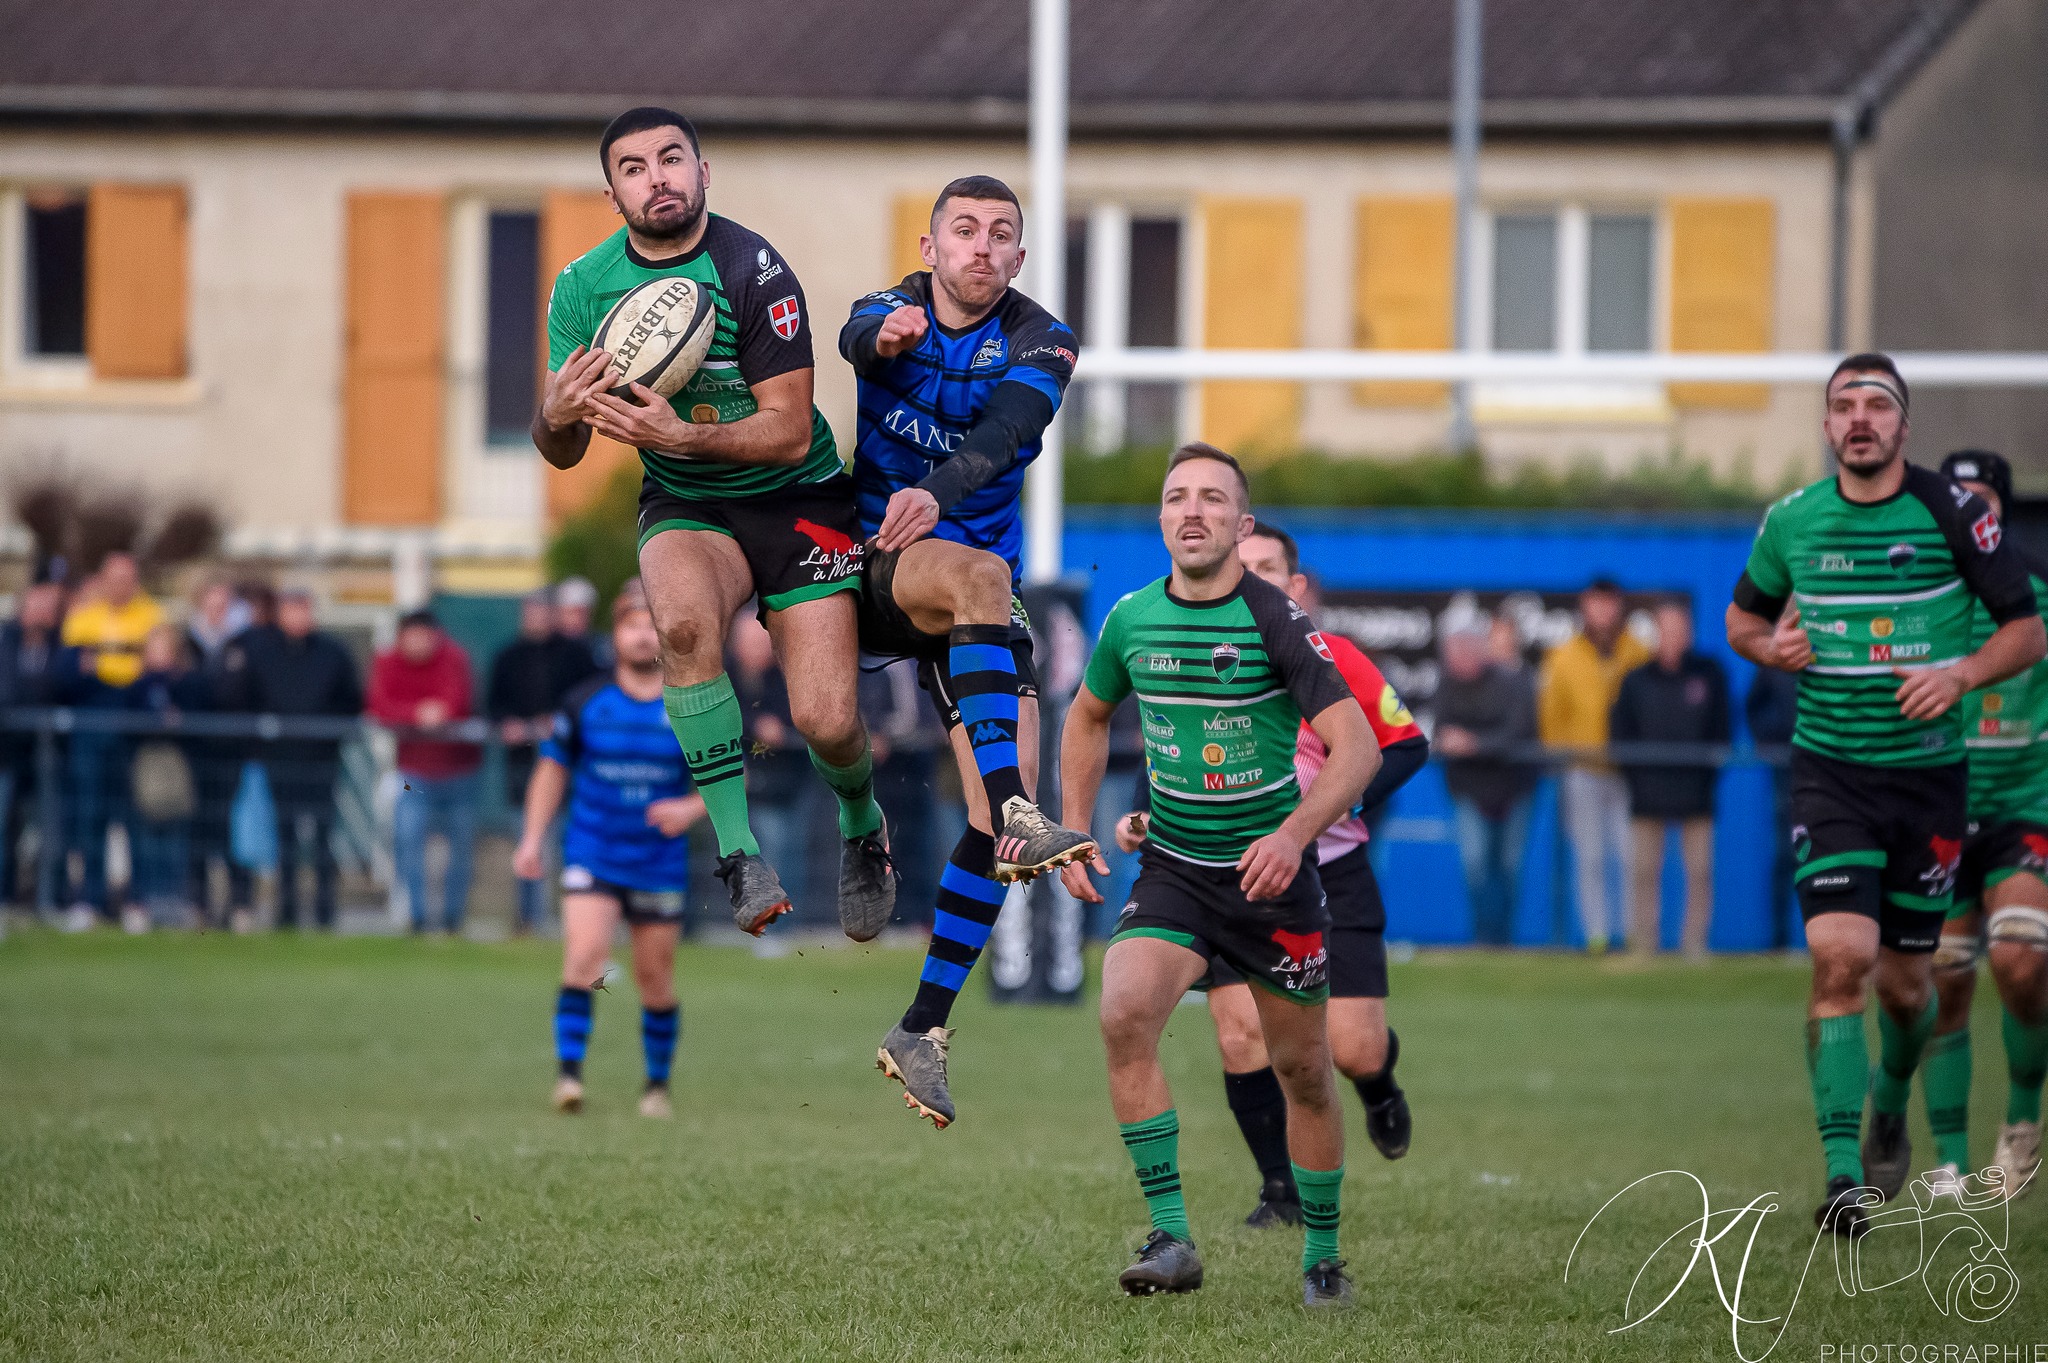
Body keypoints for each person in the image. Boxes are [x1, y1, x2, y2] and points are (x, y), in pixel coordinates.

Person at [533, 105, 890, 938]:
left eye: (671, 159)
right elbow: (561, 449)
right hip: (687, 499)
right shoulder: (584, 290)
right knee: (685, 626)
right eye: (634, 167)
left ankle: (862, 825)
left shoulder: (753, 269)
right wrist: (554, 414)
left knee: (827, 721)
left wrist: (683, 431)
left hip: (797, 495)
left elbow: (792, 429)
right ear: (613, 190)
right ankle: (737, 850)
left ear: (703, 172)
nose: (656, 177)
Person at [1725, 353, 2044, 1236]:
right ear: (1827, 426)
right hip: (1831, 774)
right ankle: (1840, 1177)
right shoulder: (1791, 521)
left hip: (1930, 784)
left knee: (1912, 992)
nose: (1859, 418)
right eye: (1843, 405)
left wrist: (1962, 673)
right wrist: (1767, 650)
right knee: (1840, 962)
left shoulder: (1951, 514)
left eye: (1877, 404)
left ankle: (1891, 1103)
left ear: (1904, 425)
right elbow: (1742, 619)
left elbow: (2026, 629)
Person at [1058, 444, 1378, 1307]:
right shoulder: (1130, 618)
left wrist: (1293, 834)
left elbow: (1359, 749)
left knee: (1304, 1069)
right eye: (1175, 497)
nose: (1190, 510)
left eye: (1211, 498)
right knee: (1124, 1010)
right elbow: (1087, 715)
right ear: (1161, 518)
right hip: (1174, 871)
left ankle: (1322, 1256)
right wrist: (1076, 826)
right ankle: (1171, 1237)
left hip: (1272, 882)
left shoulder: (1276, 619)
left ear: (1241, 523)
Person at [840, 174, 1098, 1125]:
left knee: (996, 821)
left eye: (1000, 235)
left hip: (968, 589)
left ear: (1019, 258)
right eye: (964, 231)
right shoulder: (889, 303)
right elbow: (852, 337)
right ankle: (992, 814)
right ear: (931, 245)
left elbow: (1010, 429)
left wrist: (939, 491)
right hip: (878, 568)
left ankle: (922, 1027)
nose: (981, 247)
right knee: (986, 579)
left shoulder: (1045, 336)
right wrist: (882, 340)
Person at [1115, 520, 1429, 1229]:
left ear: (1296, 587)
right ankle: (1279, 1189)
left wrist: (1335, 802)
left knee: (1350, 1047)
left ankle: (1378, 1084)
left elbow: (1407, 745)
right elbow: (1169, 744)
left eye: (1263, 568)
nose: (1244, 578)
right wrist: (1140, 814)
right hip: (1224, 871)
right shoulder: (1197, 649)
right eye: (1240, 564)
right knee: (1236, 1034)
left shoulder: (1335, 656)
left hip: (1331, 872)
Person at [514, 581, 704, 1118]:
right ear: (616, 635)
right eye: (632, 625)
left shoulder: (691, 704)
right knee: (583, 956)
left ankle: (655, 1088)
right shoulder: (583, 702)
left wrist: (688, 811)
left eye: (652, 626)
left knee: (654, 978)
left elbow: (724, 778)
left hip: (657, 861)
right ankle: (569, 1079)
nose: (643, 636)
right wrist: (531, 838)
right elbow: (551, 772)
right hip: (593, 850)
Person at [1924, 450, 2047, 1199]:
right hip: (1939, 811)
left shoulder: (2035, 591)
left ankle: (2022, 1126)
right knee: (1944, 982)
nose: (1970, 510)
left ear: (2001, 507)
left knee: (2020, 963)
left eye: (1982, 497)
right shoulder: (1921, 595)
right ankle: (1944, 1158)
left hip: (2023, 808)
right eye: (1956, 498)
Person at [230, 587, 362, 930]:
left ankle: (324, 911)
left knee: (321, 837)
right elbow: (246, 699)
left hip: (322, 759)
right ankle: (286, 911)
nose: (297, 616)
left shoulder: (333, 653)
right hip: (280, 758)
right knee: (284, 837)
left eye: (303, 609)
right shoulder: (263, 653)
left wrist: (328, 733)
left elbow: (351, 700)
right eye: (291, 609)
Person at [1610, 601, 1730, 959]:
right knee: (1643, 872)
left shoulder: (1709, 674)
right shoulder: (1636, 679)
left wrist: (1708, 774)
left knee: (1699, 871)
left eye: (1681, 628)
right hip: (1647, 792)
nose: (1674, 637)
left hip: (1696, 792)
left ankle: (1694, 945)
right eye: (1667, 628)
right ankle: (1644, 945)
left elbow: (1722, 730)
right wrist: (1636, 778)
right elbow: (1620, 735)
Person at [1539, 577, 1653, 952]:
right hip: (1582, 768)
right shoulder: (1564, 655)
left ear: (1620, 606)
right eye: (1596, 603)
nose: (1603, 611)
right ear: (1584, 606)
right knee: (1589, 856)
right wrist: (1561, 757)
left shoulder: (1638, 652)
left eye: (1609, 603)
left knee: (1629, 855)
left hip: (1628, 771)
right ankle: (1597, 936)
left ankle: (1632, 934)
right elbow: (1552, 716)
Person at [370, 610, 482, 935]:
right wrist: (416, 714)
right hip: (412, 772)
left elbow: (458, 702)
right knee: (408, 840)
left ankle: (452, 919)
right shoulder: (387, 661)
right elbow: (379, 705)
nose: (418, 643)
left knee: (460, 847)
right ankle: (418, 917)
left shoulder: (454, 658)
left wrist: (436, 713)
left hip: (460, 769)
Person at [1434, 614, 1539, 946]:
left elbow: (1518, 734)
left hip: (1513, 787)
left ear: (1480, 651)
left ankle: (1503, 939)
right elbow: (1439, 732)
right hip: (1468, 788)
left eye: (1463, 654)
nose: (1457, 662)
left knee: (1508, 866)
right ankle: (1483, 937)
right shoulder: (1447, 683)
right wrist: (1448, 742)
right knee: (1476, 864)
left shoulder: (1513, 682)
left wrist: (1473, 743)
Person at [489, 590, 577, 934]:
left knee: (567, 847)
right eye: (531, 612)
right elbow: (493, 706)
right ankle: (529, 919)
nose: (537, 618)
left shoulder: (574, 655)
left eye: (543, 611)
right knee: (528, 841)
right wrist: (509, 724)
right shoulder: (507, 657)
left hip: (569, 767)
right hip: (522, 766)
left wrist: (558, 722)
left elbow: (585, 700)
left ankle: (573, 919)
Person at [0, 580, 81, 908]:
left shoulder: (61, 642)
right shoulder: (7, 640)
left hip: (47, 753)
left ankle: (49, 900)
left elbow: (62, 687)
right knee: (5, 825)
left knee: (51, 830)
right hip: (7, 750)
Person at [126, 624, 211, 929]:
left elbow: (198, 716)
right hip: (147, 769)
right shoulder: (140, 685)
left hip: (178, 770)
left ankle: (175, 903)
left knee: (177, 838)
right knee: (145, 838)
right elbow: (130, 719)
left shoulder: (189, 683)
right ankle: (145, 901)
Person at [1746, 664, 1802, 949]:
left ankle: (1824, 939)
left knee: (1830, 851)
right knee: (1786, 852)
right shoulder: (1775, 660)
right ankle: (1779, 939)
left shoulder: (1834, 648)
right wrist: (1768, 740)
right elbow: (1752, 705)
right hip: (1787, 768)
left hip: (1829, 763)